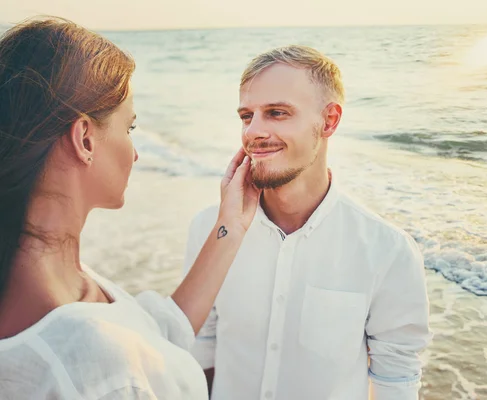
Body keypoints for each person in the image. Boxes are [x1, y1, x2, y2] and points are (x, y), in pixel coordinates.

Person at [0, 17, 259, 399]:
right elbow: (123, 364)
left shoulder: (41, 278)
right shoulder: (96, 363)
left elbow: (157, 336)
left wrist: (230, 225)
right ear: (85, 139)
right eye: (129, 128)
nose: (135, 153)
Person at [182, 45, 432, 400]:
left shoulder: (386, 249)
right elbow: (199, 349)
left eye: (277, 113)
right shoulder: (210, 230)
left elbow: (397, 379)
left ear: (329, 121)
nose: (254, 131)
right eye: (246, 116)